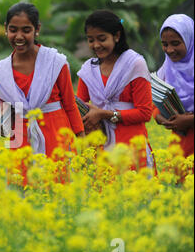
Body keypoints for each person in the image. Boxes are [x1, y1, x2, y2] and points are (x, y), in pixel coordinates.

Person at [0, 3, 84, 157]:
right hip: (20, 141)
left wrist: (82, 143)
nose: (19, 36)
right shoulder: (2, 70)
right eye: (13, 30)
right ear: (6, 29)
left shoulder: (55, 62)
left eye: (26, 30)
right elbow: (4, 115)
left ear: (37, 29)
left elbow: (70, 105)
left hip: (56, 136)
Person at [76, 10, 154, 169]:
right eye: (91, 40)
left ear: (117, 36)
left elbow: (145, 112)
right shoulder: (88, 69)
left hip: (131, 144)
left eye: (102, 39)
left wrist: (103, 114)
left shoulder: (135, 64)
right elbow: (80, 107)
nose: (96, 45)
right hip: (100, 145)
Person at [153, 14, 194, 157]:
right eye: (165, 44)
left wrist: (189, 120)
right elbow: (155, 108)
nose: (170, 50)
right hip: (180, 144)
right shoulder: (166, 69)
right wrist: (165, 120)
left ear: (189, 40)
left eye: (175, 43)